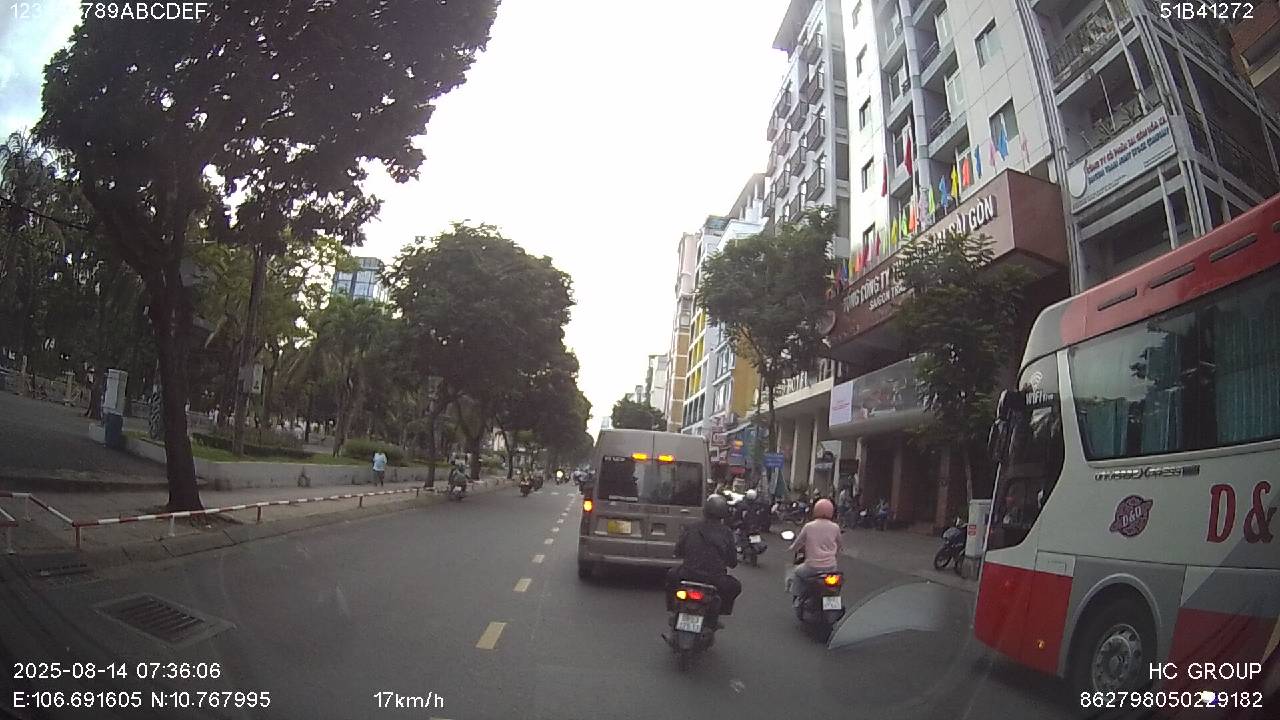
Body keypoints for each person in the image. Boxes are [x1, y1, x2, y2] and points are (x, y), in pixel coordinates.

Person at [666, 494, 741, 628]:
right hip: (715, 579)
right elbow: (732, 561)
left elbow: (678, 551)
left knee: (671, 575)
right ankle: (717, 614)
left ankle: (672, 609)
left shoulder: (691, 528)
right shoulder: (726, 533)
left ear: (705, 510)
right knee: (735, 586)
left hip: (688, 574)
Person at [787, 498, 843, 598]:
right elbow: (839, 545)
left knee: (796, 573)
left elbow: (799, 542)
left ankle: (797, 599)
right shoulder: (835, 527)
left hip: (812, 567)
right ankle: (834, 601)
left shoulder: (809, 526)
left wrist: (792, 548)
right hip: (831, 568)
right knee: (834, 587)